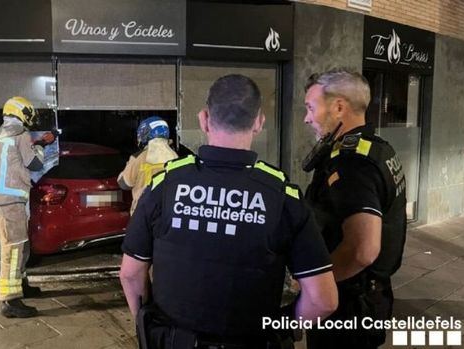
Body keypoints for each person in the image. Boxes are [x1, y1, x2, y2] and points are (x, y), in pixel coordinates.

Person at [119, 74, 338, 349]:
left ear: (203, 119)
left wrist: (149, 322)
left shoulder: (165, 186)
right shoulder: (283, 198)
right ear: (259, 122)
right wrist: (285, 326)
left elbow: (130, 274)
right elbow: (323, 299)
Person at [302, 68, 407, 349]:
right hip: (367, 297)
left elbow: (363, 250)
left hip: (348, 304)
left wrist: (314, 286)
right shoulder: (375, 149)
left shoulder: (351, 164)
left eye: (311, 107)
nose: (307, 118)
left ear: (338, 107)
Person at [0, 96, 50, 318]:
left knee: (19, 246)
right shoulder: (20, 135)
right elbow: (35, 163)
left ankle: (21, 285)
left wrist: (36, 142)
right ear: (22, 113)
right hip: (10, 202)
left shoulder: (0, 134)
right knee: (13, 250)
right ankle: (11, 301)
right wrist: (41, 145)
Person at [118, 116, 178, 215]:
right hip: (168, 212)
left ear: (145, 134)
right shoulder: (175, 156)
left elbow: (124, 184)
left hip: (143, 212)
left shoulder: (139, 157)